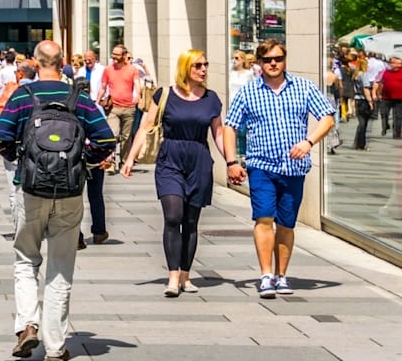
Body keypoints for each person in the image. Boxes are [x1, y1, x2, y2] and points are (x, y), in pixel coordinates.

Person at [0, 40, 116, 361]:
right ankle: (56, 345)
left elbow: (1, 137)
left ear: (35, 62)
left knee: (25, 259)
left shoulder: (23, 95)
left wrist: (23, 161)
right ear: (63, 63)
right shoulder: (79, 98)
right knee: (60, 267)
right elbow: (105, 139)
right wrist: (80, 161)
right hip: (70, 191)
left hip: (31, 189)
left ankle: (27, 325)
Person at [222, 39, 336, 299]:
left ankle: (281, 275)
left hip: (294, 168)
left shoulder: (304, 88)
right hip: (261, 165)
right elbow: (230, 126)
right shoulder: (249, 92)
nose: (273, 64)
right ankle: (265, 275)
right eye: (267, 60)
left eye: (278, 59)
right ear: (259, 63)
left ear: (284, 60)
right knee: (263, 218)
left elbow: (327, 118)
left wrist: (309, 142)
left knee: (286, 223)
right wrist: (231, 162)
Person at [121, 49, 225, 296]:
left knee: (191, 221)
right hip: (170, 159)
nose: (203, 69)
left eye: (205, 65)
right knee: (173, 216)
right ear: (185, 69)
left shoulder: (211, 99)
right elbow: (146, 125)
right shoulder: (165, 94)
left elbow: (218, 133)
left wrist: (231, 161)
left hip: (199, 160)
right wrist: (130, 158)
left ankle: (186, 276)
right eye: (197, 65)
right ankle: (172, 276)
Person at [98, 45, 140, 164]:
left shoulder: (132, 69)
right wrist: (97, 102)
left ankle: (124, 161)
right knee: (113, 134)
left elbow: (137, 84)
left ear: (124, 56)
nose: (114, 56)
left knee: (126, 137)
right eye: (113, 54)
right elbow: (103, 87)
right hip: (113, 108)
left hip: (129, 108)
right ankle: (109, 159)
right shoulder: (108, 69)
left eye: (117, 54)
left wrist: (137, 95)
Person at [375, 55, 402, 144]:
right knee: (384, 113)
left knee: (398, 116)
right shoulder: (386, 72)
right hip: (386, 97)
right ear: (392, 64)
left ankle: (397, 134)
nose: (400, 65)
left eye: (400, 63)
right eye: (398, 63)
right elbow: (381, 84)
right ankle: (385, 125)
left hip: (399, 98)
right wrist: (379, 93)